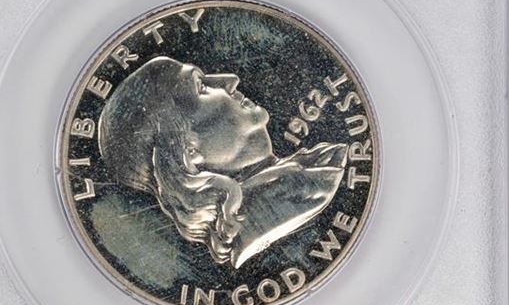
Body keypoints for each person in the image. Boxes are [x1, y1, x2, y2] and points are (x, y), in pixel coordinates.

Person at [97, 56, 349, 269]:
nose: (230, 79)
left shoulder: (306, 172)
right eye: (201, 87)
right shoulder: (284, 205)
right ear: (189, 152)